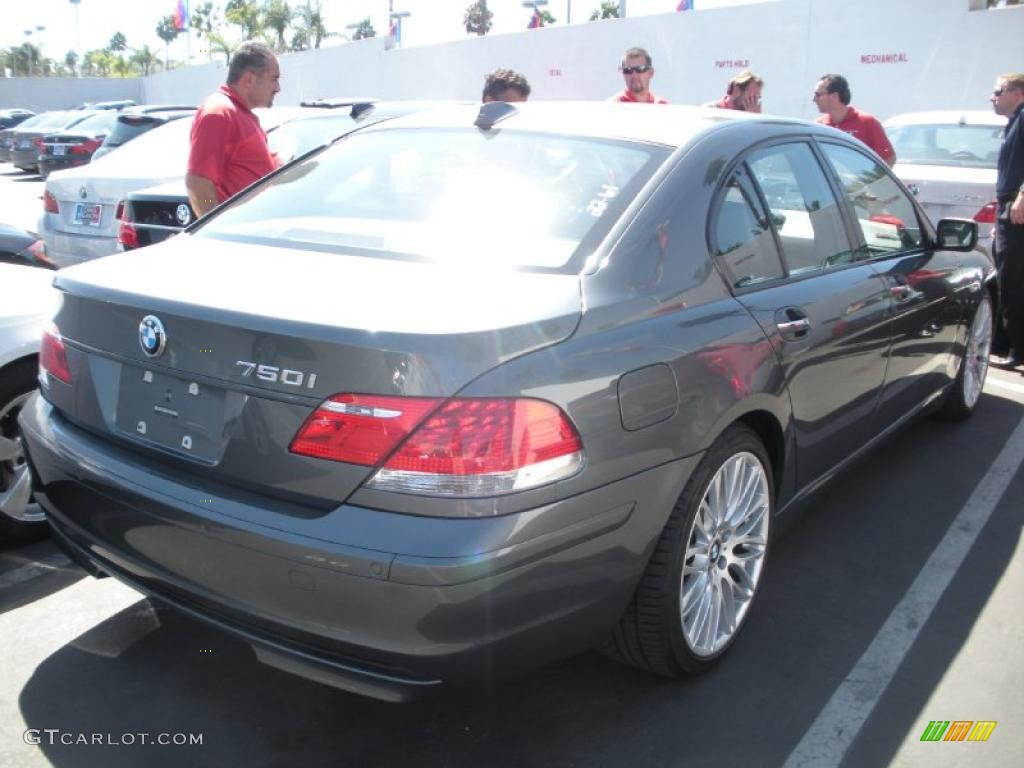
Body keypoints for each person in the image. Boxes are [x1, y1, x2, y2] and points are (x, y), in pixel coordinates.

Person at [186, 41, 282, 218]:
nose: (278, 88)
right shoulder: (219, 113)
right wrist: (212, 221)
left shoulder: (239, 113)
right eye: (274, 79)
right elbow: (198, 184)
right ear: (249, 79)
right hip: (238, 237)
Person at [989, 73, 1024, 369]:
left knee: (1014, 280)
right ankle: (1003, 343)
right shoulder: (1014, 121)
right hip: (1007, 208)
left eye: (998, 91)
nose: (993, 96)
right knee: (1006, 275)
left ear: (1018, 93)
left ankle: (1017, 349)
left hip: (1018, 209)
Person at [813, 74, 895, 166]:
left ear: (834, 96)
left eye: (818, 95)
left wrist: (871, 179)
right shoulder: (819, 126)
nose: (814, 99)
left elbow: (888, 158)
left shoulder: (867, 122)